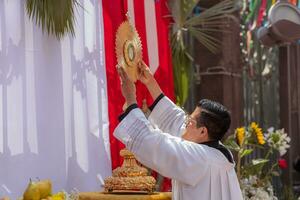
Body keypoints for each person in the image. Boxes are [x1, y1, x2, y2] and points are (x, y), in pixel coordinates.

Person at [114, 62, 243, 200]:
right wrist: (150, 82)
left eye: (190, 121)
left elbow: (156, 145)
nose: (185, 123)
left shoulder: (199, 158)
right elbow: (177, 121)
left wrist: (130, 100)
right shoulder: (215, 150)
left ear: (203, 131)